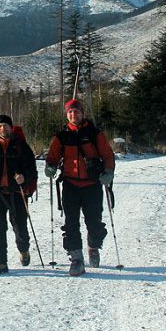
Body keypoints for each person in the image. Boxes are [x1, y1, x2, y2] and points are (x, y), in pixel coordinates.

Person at [44, 99, 115, 276]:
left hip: (92, 185)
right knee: (71, 224)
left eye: (76, 111)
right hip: (70, 185)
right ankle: (76, 259)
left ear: (82, 113)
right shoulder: (61, 136)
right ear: (66, 114)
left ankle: (93, 246)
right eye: (70, 112)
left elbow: (107, 154)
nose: (73, 115)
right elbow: (52, 156)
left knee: (94, 222)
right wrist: (50, 166)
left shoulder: (94, 134)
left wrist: (109, 172)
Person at [0, 114, 38, 274]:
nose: (3, 128)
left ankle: (23, 250)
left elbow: (31, 168)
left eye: (5, 125)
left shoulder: (21, 147)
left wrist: (24, 177)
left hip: (17, 193)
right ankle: (0, 262)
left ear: (11, 127)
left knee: (20, 228)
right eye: (0, 126)